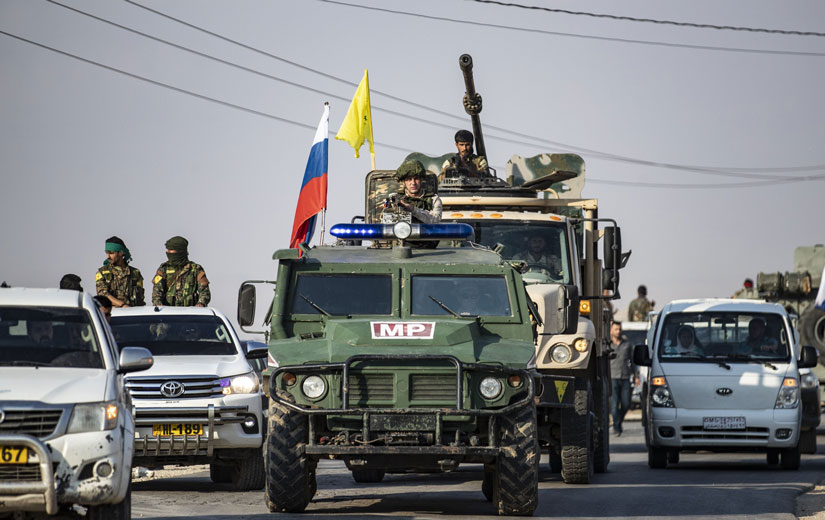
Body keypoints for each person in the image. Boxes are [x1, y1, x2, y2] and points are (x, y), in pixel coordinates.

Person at [152, 236, 211, 307]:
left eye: (172, 250)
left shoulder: (195, 269)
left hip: (190, 313)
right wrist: (158, 304)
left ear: (181, 251)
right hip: (167, 313)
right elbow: (157, 290)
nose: (169, 253)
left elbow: (204, 291)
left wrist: (200, 304)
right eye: (168, 250)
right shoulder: (163, 269)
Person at [95, 236, 145, 308]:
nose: (108, 256)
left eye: (111, 253)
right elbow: (103, 294)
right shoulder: (102, 272)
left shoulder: (135, 273)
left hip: (132, 312)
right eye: (107, 253)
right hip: (112, 313)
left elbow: (140, 300)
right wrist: (122, 305)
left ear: (121, 253)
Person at [393, 159, 442, 224]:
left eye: (416, 179)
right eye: (409, 179)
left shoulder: (433, 199)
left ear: (421, 180)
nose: (413, 183)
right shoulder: (395, 198)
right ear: (404, 182)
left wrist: (412, 209)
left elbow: (435, 220)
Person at [609, 321, 633, 436]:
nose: (618, 331)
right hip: (612, 377)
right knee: (613, 405)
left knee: (626, 403)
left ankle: (617, 421)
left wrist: (636, 375)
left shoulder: (627, 344)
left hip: (625, 377)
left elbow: (632, 361)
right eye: (616, 329)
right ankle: (617, 427)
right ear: (611, 330)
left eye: (619, 329)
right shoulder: (608, 344)